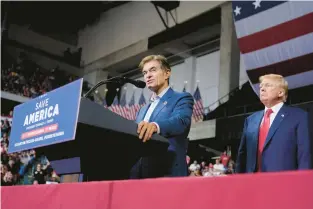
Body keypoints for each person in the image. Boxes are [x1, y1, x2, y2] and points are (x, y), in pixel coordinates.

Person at [130, 55, 194, 178]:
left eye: (153, 70)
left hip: (167, 172)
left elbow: (180, 121)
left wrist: (155, 126)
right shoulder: (142, 110)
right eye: (145, 72)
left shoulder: (181, 98)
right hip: (139, 174)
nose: (147, 75)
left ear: (167, 73)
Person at [236, 74, 312, 173]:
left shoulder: (299, 117)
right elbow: (242, 156)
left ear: (280, 92)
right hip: (253, 184)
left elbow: (304, 155)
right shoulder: (250, 120)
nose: (262, 89)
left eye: (268, 85)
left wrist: (302, 183)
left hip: (283, 183)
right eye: (261, 87)